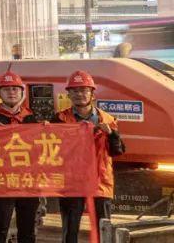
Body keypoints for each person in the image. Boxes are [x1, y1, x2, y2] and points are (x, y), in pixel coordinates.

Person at [54, 70, 124, 243]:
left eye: (84, 90)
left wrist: (112, 135)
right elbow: (53, 151)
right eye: (75, 91)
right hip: (72, 182)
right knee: (70, 230)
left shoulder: (108, 120)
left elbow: (118, 151)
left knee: (102, 228)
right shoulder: (59, 120)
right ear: (68, 94)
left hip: (100, 181)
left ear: (92, 94)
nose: (79, 94)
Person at [0, 71, 39, 243]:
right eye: (6, 89)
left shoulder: (32, 119)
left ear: (21, 92)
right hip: (1, 183)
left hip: (28, 183)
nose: (11, 92)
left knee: (28, 229)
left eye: (15, 89)